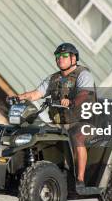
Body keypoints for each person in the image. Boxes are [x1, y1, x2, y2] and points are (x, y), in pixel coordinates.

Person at [14, 42, 96, 191]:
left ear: (73, 58)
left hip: (82, 122)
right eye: (58, 56)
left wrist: (71, 101)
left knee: (78, 138)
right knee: (37, 135)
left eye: (64, 56)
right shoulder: (53, 79)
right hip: (59, 123)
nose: (60, 59)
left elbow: (84, 95)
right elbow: (36, 94)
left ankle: (80, 179)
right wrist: (20, 97)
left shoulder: (83, 75)